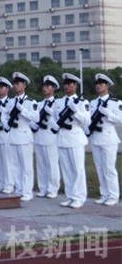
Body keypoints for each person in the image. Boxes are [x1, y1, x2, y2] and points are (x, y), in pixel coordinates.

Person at [51, 73, 90, 209]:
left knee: (77, 169)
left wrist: (75, 112)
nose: (67, 86)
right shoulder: (58, 102)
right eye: (65, 84)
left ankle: (79, 197)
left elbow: (86, 121)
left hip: (75, 138)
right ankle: (70, 196)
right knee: (66, 169)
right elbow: (53, 116)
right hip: (62, 138)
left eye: (70, 84)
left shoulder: (82, 103)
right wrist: (54, 124)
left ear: (76, 86)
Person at [2, 71, 38, 202]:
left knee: (26, 166)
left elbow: (36, 117)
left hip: (24, 134)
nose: (15, 86)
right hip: (13, 134)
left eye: (18, 83)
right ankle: (19, 189)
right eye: (14, 83)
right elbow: (4, 114)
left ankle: (27, 191)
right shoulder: (11, 102)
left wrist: (23, 110)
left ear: (24, 85)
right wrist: (5, 123)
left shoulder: (30, 102)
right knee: (15, 165)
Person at [87, 73, 122, 206]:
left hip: (109, 139)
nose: (98, 86)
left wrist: (108, 113)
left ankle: (113, 195)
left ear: (107, 85)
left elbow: (120, 118)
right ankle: (104, 194)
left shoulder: (115, 102)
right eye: (97, 84)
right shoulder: (93, 102)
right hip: (96, 138)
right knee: (100, 167)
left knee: (109, 168)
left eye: (101, 84)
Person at [31, 75, 60, 199]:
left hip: (51, 137)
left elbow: (59, 120)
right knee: (41, 164)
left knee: (52, 164)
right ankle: (43, 188)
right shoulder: (39, 104)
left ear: (54, 88)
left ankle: (53, 188)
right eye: (44, 86)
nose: (45, 88)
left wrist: (51, 115)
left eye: (48, 86)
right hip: (39, 136)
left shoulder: (58, 104)